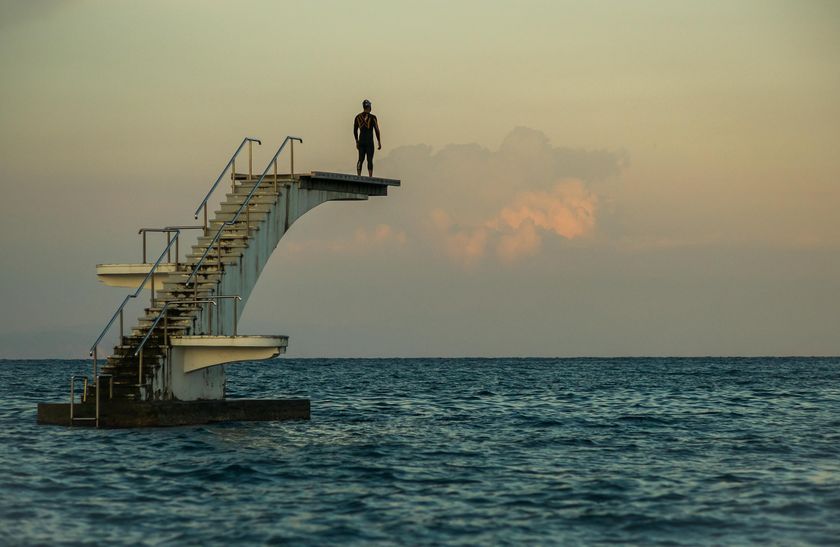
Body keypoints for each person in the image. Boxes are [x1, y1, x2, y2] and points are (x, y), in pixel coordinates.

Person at [354, 99, 381, 176]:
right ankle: (370, 176)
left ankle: (358, 175)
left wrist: (356, 141)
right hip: (369, 142)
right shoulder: (373, 117)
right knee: (369, 159)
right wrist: (379, 141)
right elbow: (377, 130)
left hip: (361, 141)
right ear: (369, 107)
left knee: (360, 159)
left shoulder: (357, 117)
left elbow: (355, 130)